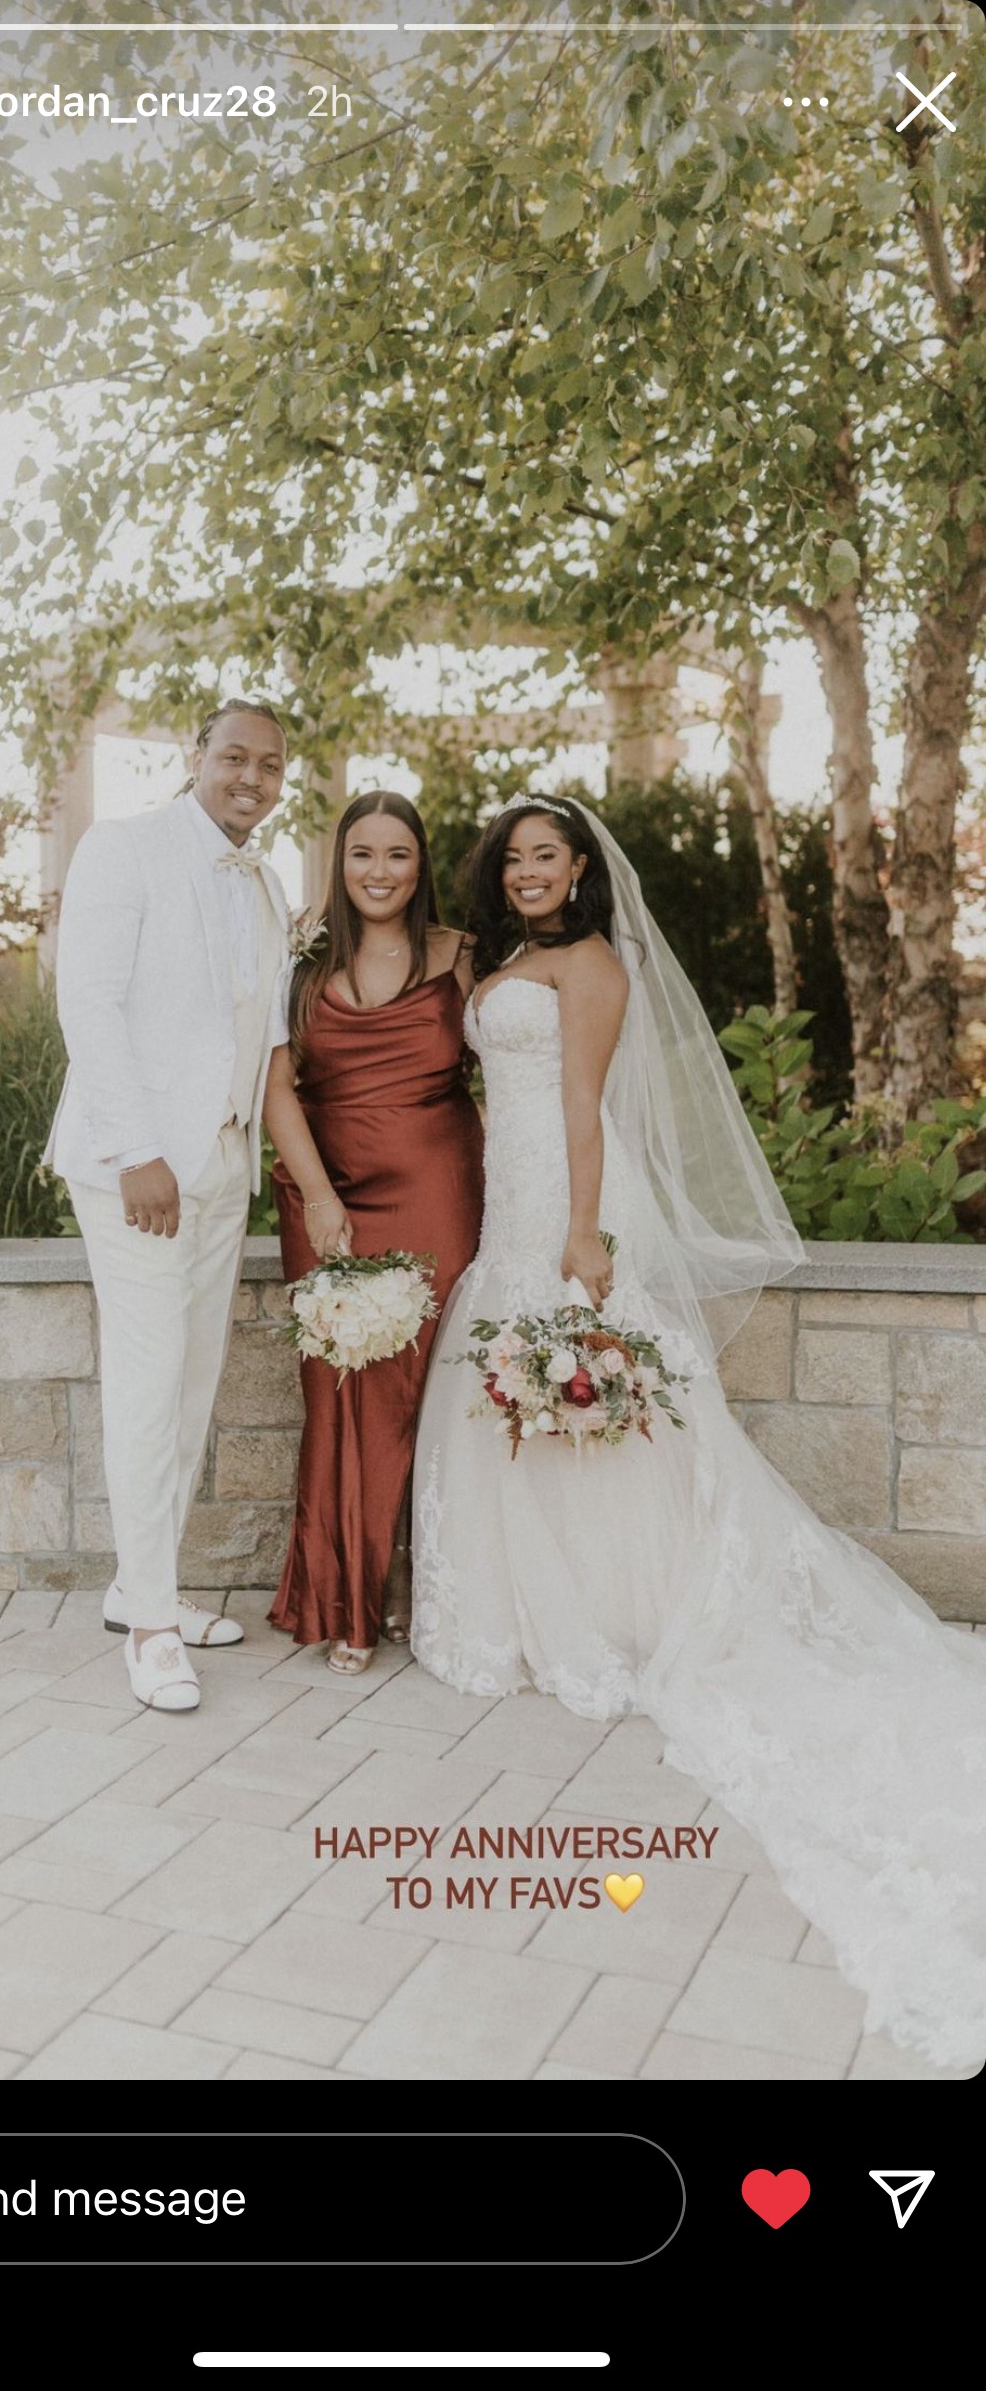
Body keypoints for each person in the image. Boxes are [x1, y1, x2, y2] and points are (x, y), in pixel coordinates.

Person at [411, 793, 986, 2068]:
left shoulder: (593, 965)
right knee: (512, 1400)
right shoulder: (499, 958)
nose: (529, 873)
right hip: (505, 1191)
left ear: (581, 869)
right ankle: (530, 1603)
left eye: (548, 856)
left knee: (585, 1404)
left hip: (564, 1194)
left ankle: (619, 1608)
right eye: (514, 859)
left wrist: (580, 1232)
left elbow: (582, 1102)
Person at [43, 701, 292, 1713]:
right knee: (148, 1385)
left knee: (192, 1383)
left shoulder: (267, 882)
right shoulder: (125, 847)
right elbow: (88, 1001)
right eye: (234, 756)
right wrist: (136, 1150)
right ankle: (149, 1627)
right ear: (197, 758)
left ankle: (141, 1586)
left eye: (270, 765)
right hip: (136, 1166)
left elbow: (257, 1028)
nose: (251, 777)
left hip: (223, 1162)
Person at [265, 792, 484, 1674]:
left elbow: (517, 1059)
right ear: (339, 861)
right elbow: (274, 1086)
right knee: (338, 1392)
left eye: (399, 854)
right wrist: (321, 1198)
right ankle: (343, 1599)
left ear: (421, 864)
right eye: (363, 854)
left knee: (418, 1393)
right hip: (326, 1191)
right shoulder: (300, 955)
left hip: (436, 1188)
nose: (380, 872)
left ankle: (406, 1586)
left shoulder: (462, 954)